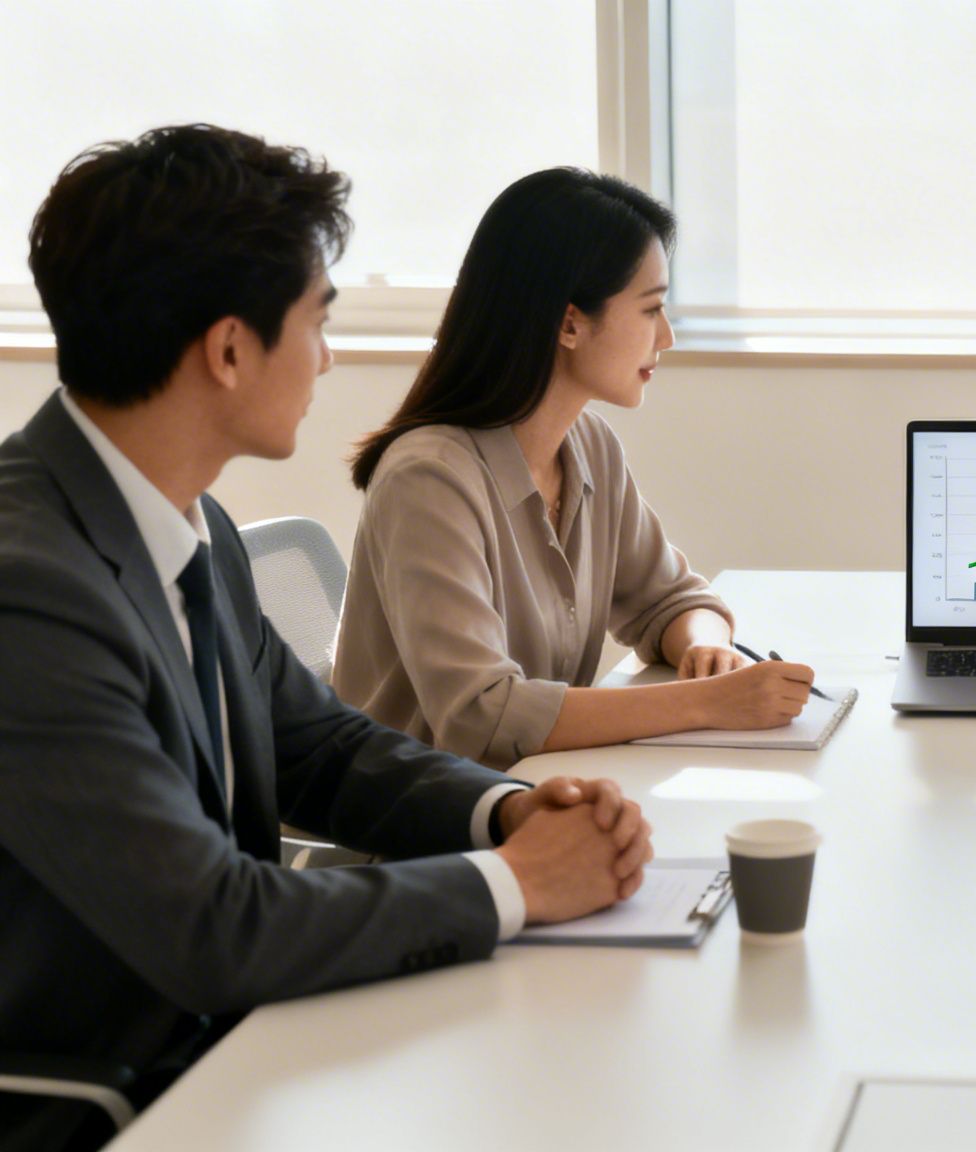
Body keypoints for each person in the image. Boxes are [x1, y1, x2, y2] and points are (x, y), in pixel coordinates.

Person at [0, 126, 655, 1150]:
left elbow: (325, 749)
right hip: (124, 1098)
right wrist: (521, 883)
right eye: (317, 320)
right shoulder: (27, 587)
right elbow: (213, 931)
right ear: (227, 350)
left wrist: (511, 812)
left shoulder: (189, 522)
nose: (329, 356)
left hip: (246, 1046)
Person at [333, 168, 813, 769]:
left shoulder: (588, 444)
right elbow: (483, 718)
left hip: (534, 792)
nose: (664, 337)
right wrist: (707, 702)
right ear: (568, 323)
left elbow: (668, 599)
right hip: (422, 830)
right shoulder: (428, 480)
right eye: (651, 309)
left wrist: (705, 648)